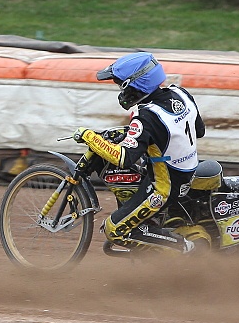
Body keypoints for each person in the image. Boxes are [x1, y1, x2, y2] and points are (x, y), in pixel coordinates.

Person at [73, 52, 206, 254]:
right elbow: (199, 131)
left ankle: (187, 249)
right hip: (187, 170)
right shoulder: (180, 93)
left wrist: (90, 137)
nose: (121, 91)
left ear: (134, 85)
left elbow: (124, 158)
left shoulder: (145, 115)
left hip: (164, 187)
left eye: (121, 85)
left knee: (114, 230)